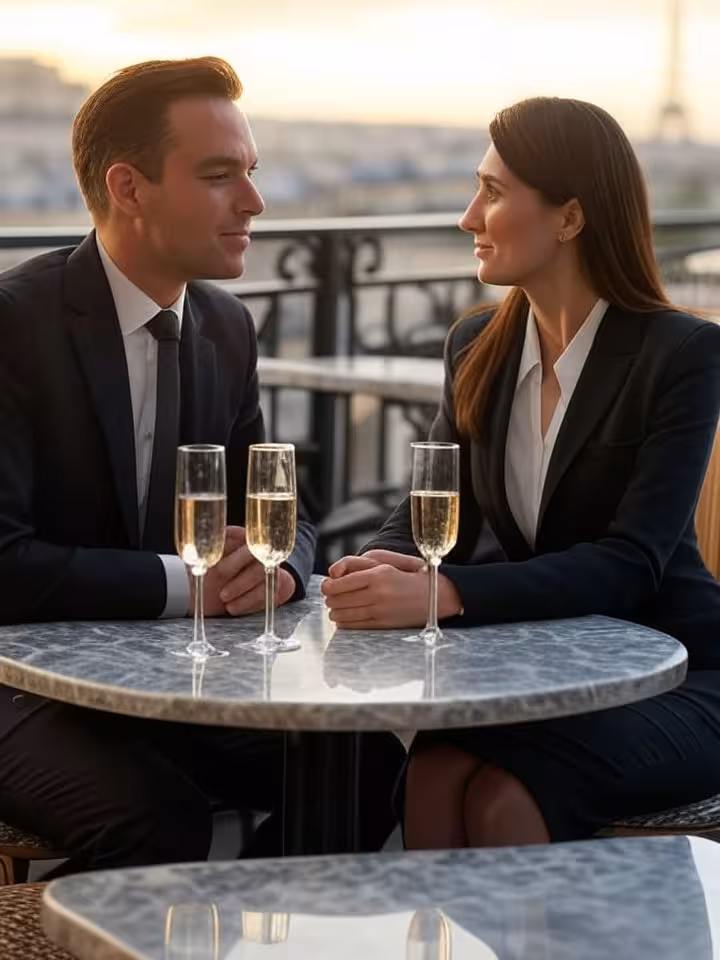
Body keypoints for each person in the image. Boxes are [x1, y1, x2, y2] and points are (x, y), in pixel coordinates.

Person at [0, 57, 401, 872]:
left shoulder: (226, 326)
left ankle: (234, 927)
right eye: (220, 175)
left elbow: (288, 516)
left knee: (367, 764)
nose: (253, 202)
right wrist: (193, 583)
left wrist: (281, 569)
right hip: (19, 683)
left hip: (165, 676)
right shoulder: (14, 325)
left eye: (251, 173)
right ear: (128, 186)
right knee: (155, 821)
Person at [322, 96, 720, 850]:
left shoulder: (680, 355)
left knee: (504, 797)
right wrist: (369, 569)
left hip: (680, 671)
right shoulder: (478, 345)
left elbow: (631, 564)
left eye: (494, 192)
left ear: (569, 218)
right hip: (541, 674)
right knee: (434, 773)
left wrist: (445, 591)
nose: (469, 216)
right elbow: (425, 513)